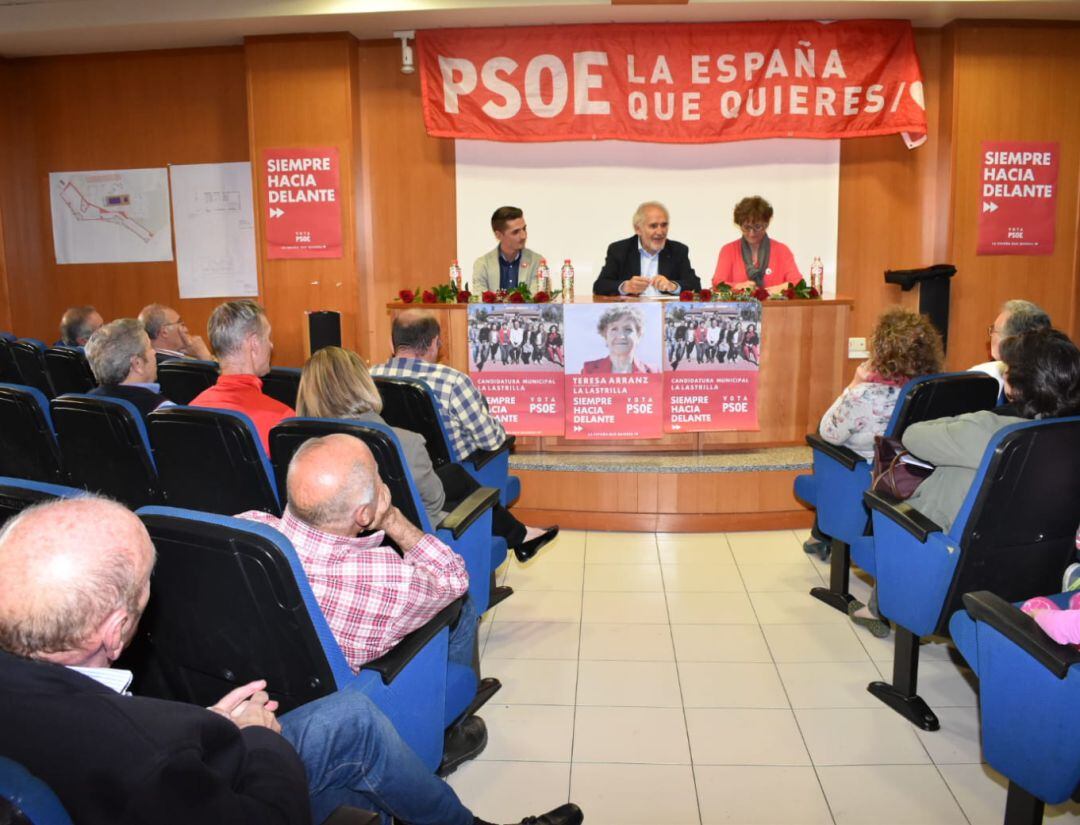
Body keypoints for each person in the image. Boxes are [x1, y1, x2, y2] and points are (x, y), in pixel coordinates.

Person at [0, 495, 583, 825]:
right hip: (220, 791)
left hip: (169, 776)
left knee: (349, 721)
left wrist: (210, 729)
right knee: (351, 731)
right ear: (117, 628)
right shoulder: (150, 753)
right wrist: (256, 740)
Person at [850, 328, 1080, 637]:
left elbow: (913, 435)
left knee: (904, 505)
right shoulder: (1068, 435)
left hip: (942, 552)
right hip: (1033, 564)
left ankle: (885, 607)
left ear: (1016, 388)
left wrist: (967, 422)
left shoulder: (988, 431)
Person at [296, 347, 558, 562]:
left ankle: (521, 535)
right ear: (363, 384)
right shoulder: (403, 443)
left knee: (454, 475)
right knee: (462, 494)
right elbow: (434, 502)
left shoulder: (296, 443)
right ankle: (519, 536)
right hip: (407, 539)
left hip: (325, 536)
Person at [372, 310, 508, 461]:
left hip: (390, 473)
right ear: (434, 343)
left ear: (391, 344)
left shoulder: (367, 378)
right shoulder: (454, 381)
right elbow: (491, 441)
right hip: (449, 478)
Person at [818, 309, 944, 461]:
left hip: (865, 473)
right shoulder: (933, 389)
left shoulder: (864, 396)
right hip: (913, 473)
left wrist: (854, 383)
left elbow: (828, 433)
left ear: (880, 350)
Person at [190, 300, 294, 452]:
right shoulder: (281, 422)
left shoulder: (191, 410)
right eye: (267, 337)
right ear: (254, 344)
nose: (271, 345)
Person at [592, 201, 700, 297]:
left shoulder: (678, 250)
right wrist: (626, 286)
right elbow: (600, 286)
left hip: (664, 313)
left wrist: (672, 286)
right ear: (638, 229)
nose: (660, 232)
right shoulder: (619, 250)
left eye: (664, 225)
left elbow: (695, 285)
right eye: (653, 226)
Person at [84, 318, 172, 418]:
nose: (154, 352)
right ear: (137, 364)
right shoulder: (163, 412)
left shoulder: (83, 404)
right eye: (150, 347)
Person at [712, 196, 801, 292]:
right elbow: (718, 284)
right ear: (739, 225)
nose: (751, 233)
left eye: (757, 227)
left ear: (766, 224)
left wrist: (779, 289)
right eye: (746, 227)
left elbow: (798, 283)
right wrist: (738, 286)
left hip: (774, 306)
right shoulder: (728, 250)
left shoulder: (782, 250)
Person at [970, 299, 1051, 401]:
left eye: (993, 330)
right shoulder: (1061, 377)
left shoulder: (980, 375)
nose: (991, 336)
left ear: (1009, 339)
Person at [471, 206, 545, 294]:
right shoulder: (483, 264)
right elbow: (480, 302)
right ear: (498, 235)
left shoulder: (536, 261)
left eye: (524, 229)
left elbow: (536, 300)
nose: (523, 236)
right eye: (515, 232)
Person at [581, 306, 657, 375]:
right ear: (605, 335)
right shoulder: (588, 370)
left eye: (628, 329)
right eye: (614, 329)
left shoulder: (652, 372)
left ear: (639, 336)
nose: (621, 336)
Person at [139, 303, 214, 362]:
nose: (186, 329)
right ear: (164, 332)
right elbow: (217, 381)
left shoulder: (143, 362)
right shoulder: (179, 367)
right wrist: (204, 355)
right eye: (181, 324)